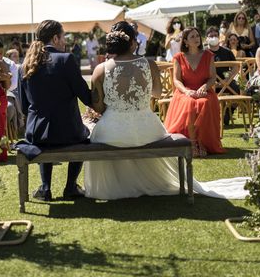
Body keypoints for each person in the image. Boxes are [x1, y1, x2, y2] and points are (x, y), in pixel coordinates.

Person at [83, 22, 247, 201]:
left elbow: (97, 107)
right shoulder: (150, 64)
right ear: (133, 43)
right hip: (147, 129)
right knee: (144, 136)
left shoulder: (100, 70)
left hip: (112, 131)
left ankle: (119, 185)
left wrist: (116, 105)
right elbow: (157, 93)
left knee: (99, 135)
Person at [18, 20, 92, 201]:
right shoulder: (66, 59)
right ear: (55, 38)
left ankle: (45, 187)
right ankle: (70, 186)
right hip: (68, 132)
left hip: (36, 133)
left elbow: (24, 104)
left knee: (46, 140)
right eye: (63, 36)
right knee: (85, 135)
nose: (65, 41)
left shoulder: (25, 65)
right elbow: (85, 96)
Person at [163, 27, 224, 156]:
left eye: (197, 36)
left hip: (204, 90)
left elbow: (213, 77)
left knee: (204, 103)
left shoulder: (208, 55)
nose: (196, 39)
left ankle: (202, 142)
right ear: (185, 41)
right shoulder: (179, 57)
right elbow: (176, 80)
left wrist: (204, 87)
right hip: (185, 91)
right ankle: (191, 143)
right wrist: (186, 91)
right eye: (192, 37)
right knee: (189, 104)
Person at [205, 26, 239, 126]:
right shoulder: (202, 53)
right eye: (211, 36)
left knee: (237, 90)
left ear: (219, 37)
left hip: (226, 81)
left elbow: (235, 67)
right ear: (206, 38)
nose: (213, 38)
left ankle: (228, 112)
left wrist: (226, 80)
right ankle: (210, 117)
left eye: (215, 35)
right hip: (208, 82)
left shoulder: (227, 52)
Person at [0, 39, 23, 142]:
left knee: (9, 107)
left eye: (0, 53)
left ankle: (2, 134)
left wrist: (3, 79)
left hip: (7, 94)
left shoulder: (10, 64)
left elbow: (13, 86)